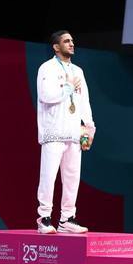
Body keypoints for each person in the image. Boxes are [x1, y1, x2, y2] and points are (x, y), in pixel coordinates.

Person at [36, 30, 95, 234]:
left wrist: (89, 127)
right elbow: (46, 96)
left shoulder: (78, 71)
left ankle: (67, 219)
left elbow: (84, 101)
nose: (71, 44)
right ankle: (44, 218)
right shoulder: (47, 68)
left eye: (72, 40)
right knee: (48, 177)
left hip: (73, 132)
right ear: (56, 46)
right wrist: (68, 87)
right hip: (53, 130)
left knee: (72, 178)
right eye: (66, 41)